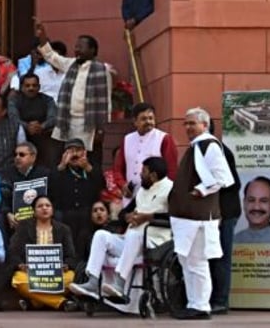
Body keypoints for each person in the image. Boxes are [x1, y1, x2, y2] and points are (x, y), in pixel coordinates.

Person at [70, 156, 173, 301]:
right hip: (132, 241)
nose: (140, 175)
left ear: (153, 175)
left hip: (155, 242)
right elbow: (123, 213)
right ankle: (92, 282)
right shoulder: (142, 190)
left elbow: (176, 217)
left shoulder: (171, 189)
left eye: (143, 172)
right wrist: (128, 217)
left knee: (135, 235)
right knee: (101, 235)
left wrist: (148, 217)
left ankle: (119, 283)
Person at [168, 107, 234, 320]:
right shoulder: (197, 146)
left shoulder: (209, 146)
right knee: (188, 260)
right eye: (186, 123)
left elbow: (223, 177)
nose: (188, 127)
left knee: (196, 261)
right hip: (189, 217)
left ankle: (200, 305)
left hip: (199, 217)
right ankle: (194, 303)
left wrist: (201, 190)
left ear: (204, 125)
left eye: (192, 123)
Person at [34, 22, 110, 164]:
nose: (77, 50)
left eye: (81, 47)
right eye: (76, 47)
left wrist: (101, 128)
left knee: (87, 160)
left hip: (89, 124)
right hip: (67, 121)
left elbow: (105, 102)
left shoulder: (101, 70)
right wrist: (43, 37)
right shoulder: (71, 64)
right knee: (65, 158)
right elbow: (51, 56)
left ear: (92, 50)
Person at [9, 195, 79, 311]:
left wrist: (66, 265)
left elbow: (71, 256)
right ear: (34, 211)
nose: (44, 208)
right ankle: (61, 302)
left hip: (56, 275)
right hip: (31, 274)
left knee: (71, 278)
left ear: (52, 210)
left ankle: (35, 302)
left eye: (48, 205)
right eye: (40, 206)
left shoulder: (63, 229)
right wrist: (21, 265)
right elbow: (13, 252)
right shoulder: (24, 227)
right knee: (18, 279)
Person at [112, 102, 178, 206]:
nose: (148, 122)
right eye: (143, 119)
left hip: (155, 198)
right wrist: (122, 185)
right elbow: (118, 168)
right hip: (130, 198)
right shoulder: (127, 139)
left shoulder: (164, 138)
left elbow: (172, 171)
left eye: (151, 118)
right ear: (135, 121)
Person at [208, 118, 241, 316]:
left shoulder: (217, 150)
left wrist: (218, 211)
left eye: (191, 124)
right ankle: (212, 298)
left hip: (224, 212)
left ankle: (220, 300)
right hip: (211, 213)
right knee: (211, 257)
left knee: (220, 257)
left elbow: (231, 184)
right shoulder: (203, 149)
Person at [49, 138, 104, 245]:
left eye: (78, 150)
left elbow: (101, 185)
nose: (74, 154)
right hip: (65, 212)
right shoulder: (58, 170)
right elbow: (51, 188)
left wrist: (87, 167)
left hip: (86, 211)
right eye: (70, 151)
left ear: (84, 152)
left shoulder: (92, 168)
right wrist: (62, 166)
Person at [0, 142, 51, 235]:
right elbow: (4, 198)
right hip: (17, 217)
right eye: (16, 155)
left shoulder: (44, 173)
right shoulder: (8, 174)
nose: (17, 157)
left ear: (33, 157)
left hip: (41, 215)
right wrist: (8, 214)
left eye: (22, 155)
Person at [8, 73, 58, 168]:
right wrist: (28, 127)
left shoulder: (48, 100)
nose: (31, 88)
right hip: (20, 136)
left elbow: (53, 118)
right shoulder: (14, 100)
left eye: (34, 85)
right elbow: (13, 118)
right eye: (27, 86)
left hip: (43, 134)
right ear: (21, 87)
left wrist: (41, 126)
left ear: (39, 87)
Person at [234, 176, 270, 244]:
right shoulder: (234, 241)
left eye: (263, 201)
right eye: (251, 200)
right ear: (244, 203)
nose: (256, 207)